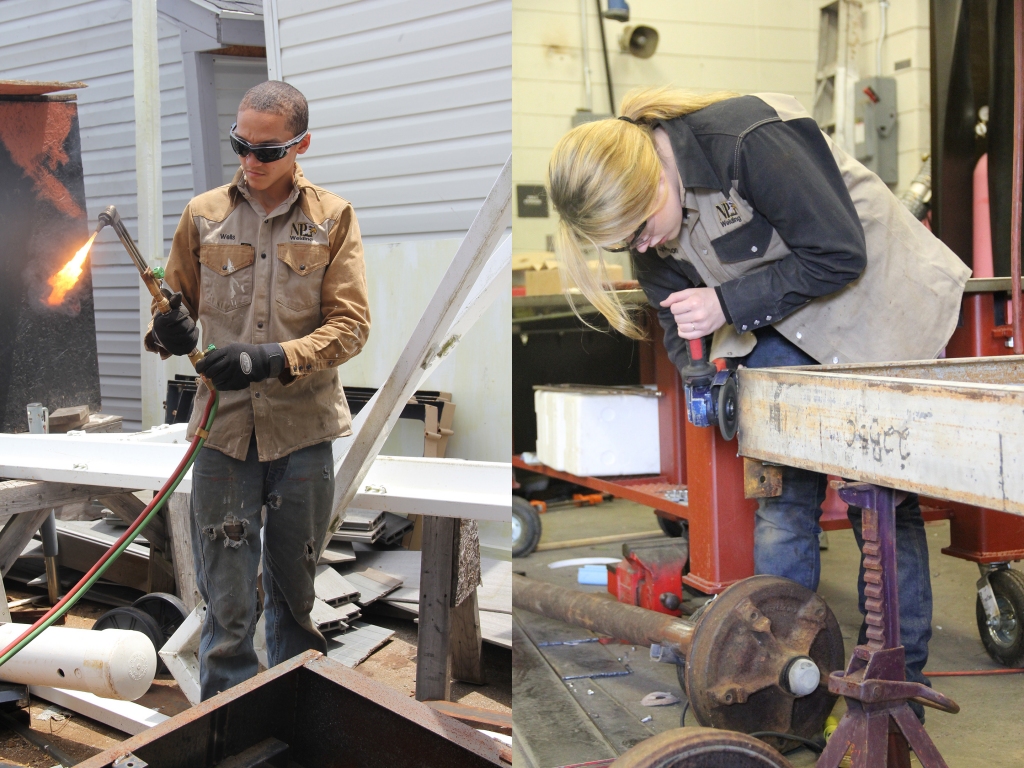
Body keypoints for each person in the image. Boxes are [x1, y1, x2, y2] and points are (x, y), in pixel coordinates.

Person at [547, 87, 971, 711]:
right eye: (622, 245)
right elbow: (675, 318)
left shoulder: (747, 141)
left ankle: (898, 680)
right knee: (778, 493)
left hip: (876, 299)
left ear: (654, 180)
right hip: (791, 313)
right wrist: (702, 382)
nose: (639, 248)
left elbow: (838, 253)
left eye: (638, 231)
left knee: (879, 504)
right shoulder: (645, 221)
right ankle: (790, 668)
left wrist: (724, 305)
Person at [143, 80, 371, 700]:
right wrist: (165, 329)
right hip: (223, 433)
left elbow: (351, 328)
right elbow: (178, 306)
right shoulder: (204, 215)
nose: (251, 161)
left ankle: (293, 716)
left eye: (267, 151)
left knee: (296, 599)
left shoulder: (333, 218)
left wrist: (269, 359)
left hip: (303, 433)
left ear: (301, 146)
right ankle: (230, 725)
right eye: (241, 145)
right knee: (226, 603)